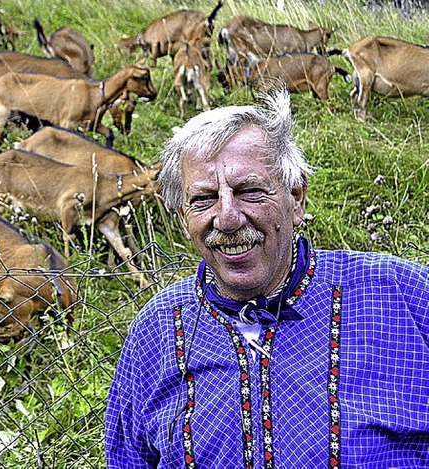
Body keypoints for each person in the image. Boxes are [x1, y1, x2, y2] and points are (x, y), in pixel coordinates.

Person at [104, 88, 429, 468]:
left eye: (250, 191)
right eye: (203, 199)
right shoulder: (157, 330)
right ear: (182, 217)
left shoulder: (400, 295)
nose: (226, 218)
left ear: (297, 198)